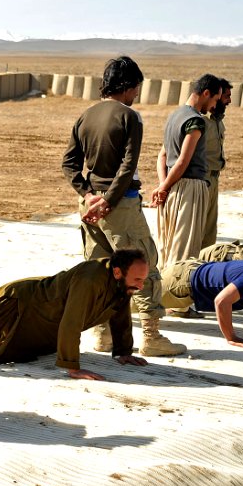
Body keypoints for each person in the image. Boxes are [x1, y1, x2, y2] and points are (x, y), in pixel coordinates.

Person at [61, 56, 185, 357]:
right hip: (120, 205)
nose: (137, 94)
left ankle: (103, 335)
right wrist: (108, 200)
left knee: (102, 272)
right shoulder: (130, 115)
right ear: (129, 86)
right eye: (137, 88)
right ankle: (151, 336)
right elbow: (128, 165)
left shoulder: (85, 115)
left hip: (89, 206)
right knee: (143, 267)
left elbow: (69, 162)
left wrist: (89, 195)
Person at [0, 249, 152, 382]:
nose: (141, 286)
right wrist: (72, 367)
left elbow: (120, 315)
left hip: (44, 318)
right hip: (20, 303)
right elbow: (71, 322)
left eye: (143, 280)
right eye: (137, 279)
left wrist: (123, 351)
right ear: (118, 272)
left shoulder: (122, 284)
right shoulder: (90, 279)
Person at [151, 74, 222, 270]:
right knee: (184, 251)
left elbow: (162, 157)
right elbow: (183, 161)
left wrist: (163, 186)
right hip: (189, 188)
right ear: (206, 93)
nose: (215, 106)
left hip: (172, 187)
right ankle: (176, 298)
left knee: (167, 246)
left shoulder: (174, 115)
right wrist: (163, 187)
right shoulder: (195, 121)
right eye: (215, 99)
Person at [201, 77, 232, 249]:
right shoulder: (201, 120)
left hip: (214, 179)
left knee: (209, 232)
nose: (229, 101)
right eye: (226, 96)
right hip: (202, 179)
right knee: (197, 230)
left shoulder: (217, 121)